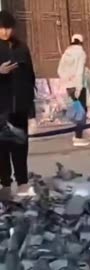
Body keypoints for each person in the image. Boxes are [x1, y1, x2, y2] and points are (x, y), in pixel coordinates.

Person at [0, 10, 36, 198]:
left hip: (19, 107)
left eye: (8, 28)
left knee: (20, 147)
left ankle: (22, 182)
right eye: (1, 28)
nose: (5, 32)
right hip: (1, 109)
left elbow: (30, 77)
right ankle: (5, 184)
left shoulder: (22, 48)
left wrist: (31, 109)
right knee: (2, 149)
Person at [58, 34, 90, 147]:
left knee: (75, 109)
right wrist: (79, 87)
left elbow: (60, 70)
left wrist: (66, 81)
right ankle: (78, 137)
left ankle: (77, 134)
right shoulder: (81, 53)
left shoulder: (66, 53)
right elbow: (79, 72)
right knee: (81, 110)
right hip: (78, 85)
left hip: (69, 86)